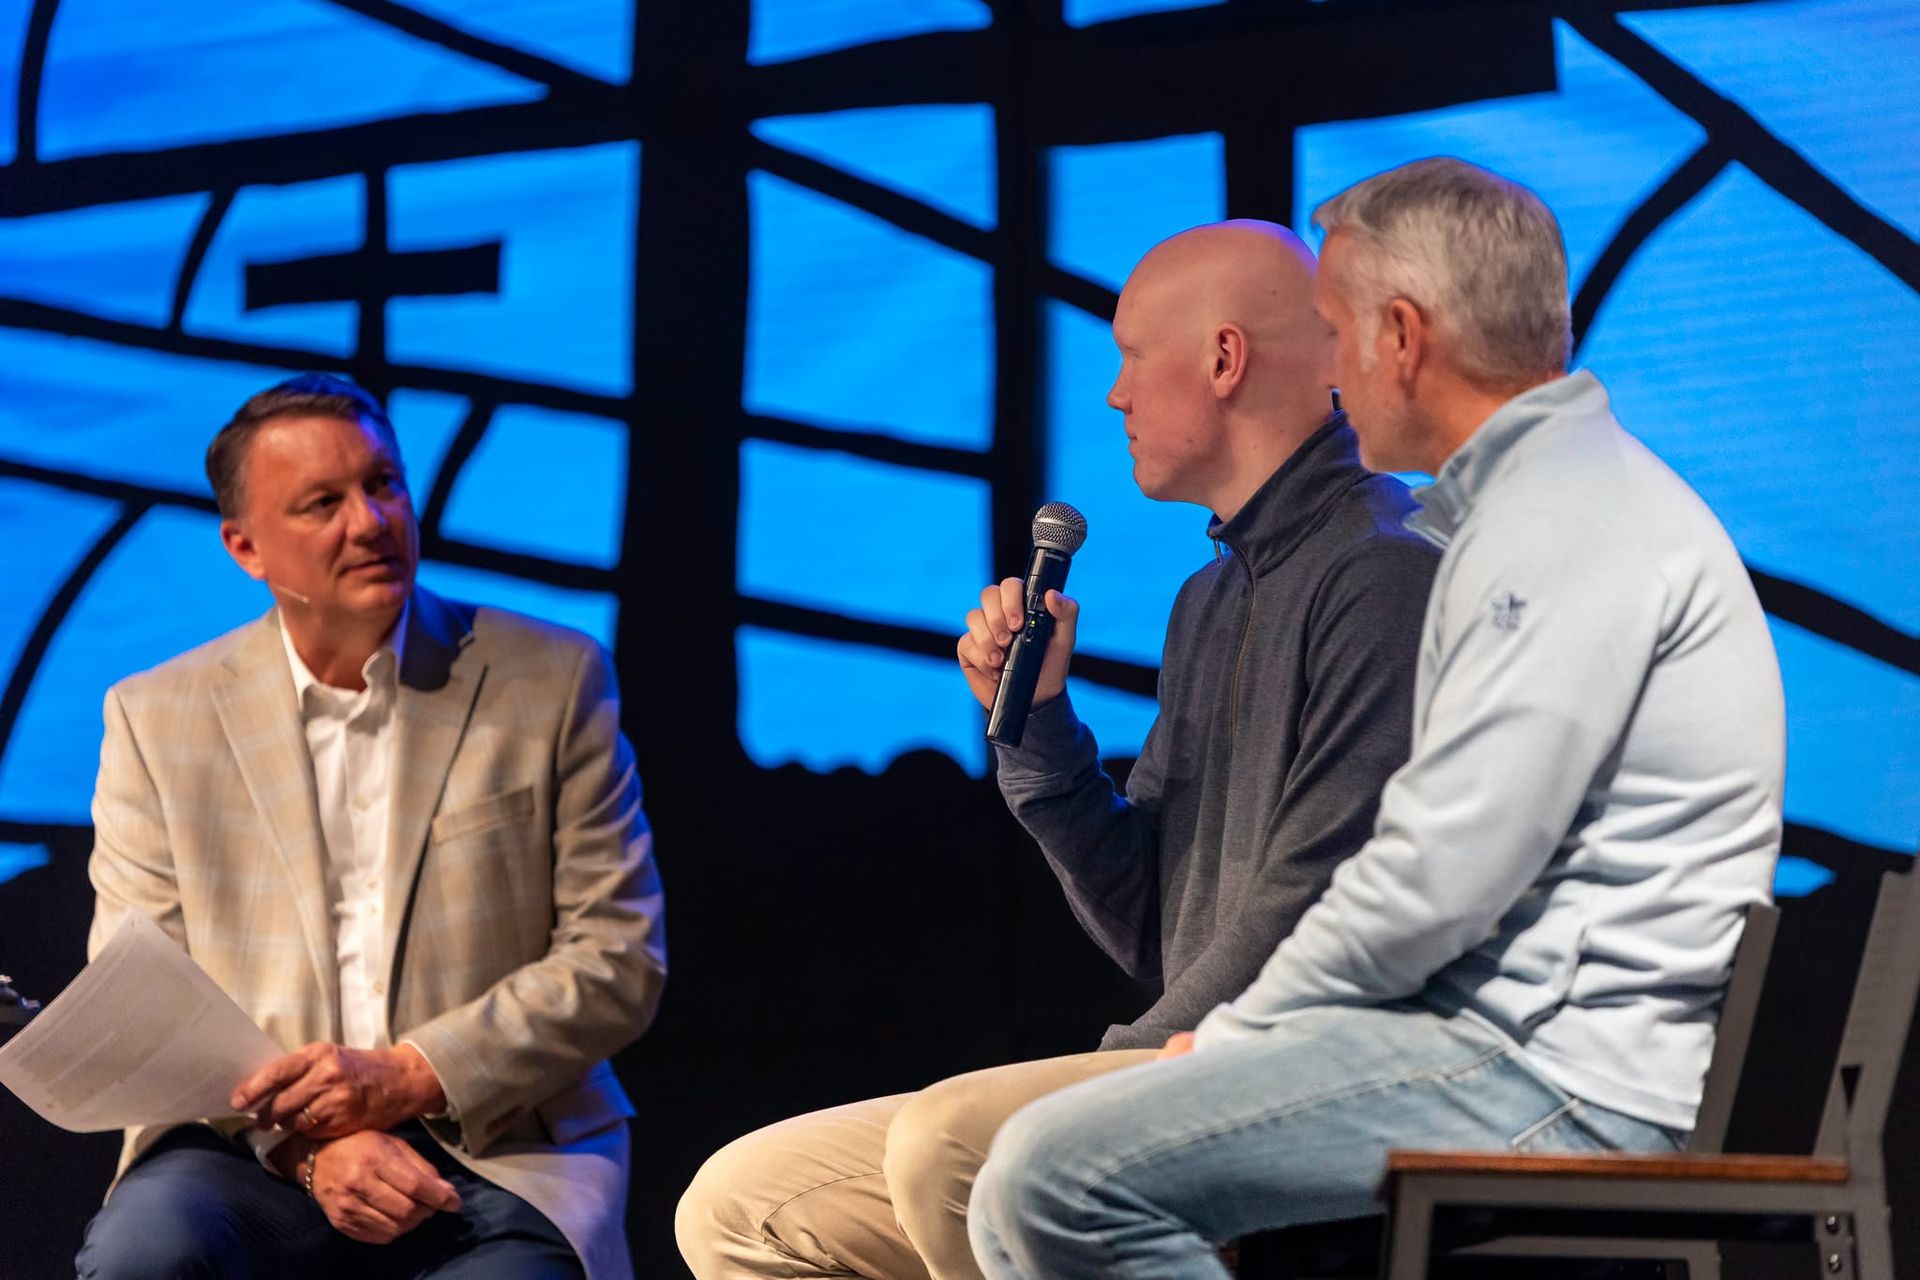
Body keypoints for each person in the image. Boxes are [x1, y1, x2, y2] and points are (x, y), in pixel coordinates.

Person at [965, 157, 1787, 1280]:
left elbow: (1426, 878)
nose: (1330, 371)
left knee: (1054, 1172)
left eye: (1339, 332)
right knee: (1031, 1175)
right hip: (1483, 1043)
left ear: (1400, 337)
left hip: (1554, 1071)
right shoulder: (1525, 509)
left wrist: (1228, 1042)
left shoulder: (1543, 530)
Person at [675, 221, 1440, 1280]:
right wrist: (1037, 725)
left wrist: (1121, 1070)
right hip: (1190, 1056)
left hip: (1308, 1078)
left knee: (951, 1143)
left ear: (1224, 358)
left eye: (1131, 355)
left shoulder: (1383, 571)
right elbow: (1151, 923)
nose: (1116, 395)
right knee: (740, 1203)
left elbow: (1318, 899)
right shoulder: (1211, 597)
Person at [74, 374, 666, 1280]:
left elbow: (617, 957)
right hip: (248, 1145)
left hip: (499, 1140)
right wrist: (310, 1147)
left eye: (383, 484)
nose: (371, 521)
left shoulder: (552, 679)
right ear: (245, 547)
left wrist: (410, 1074)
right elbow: (147, 994)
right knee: (143, 1256)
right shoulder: (155, 717)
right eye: (323, 503)